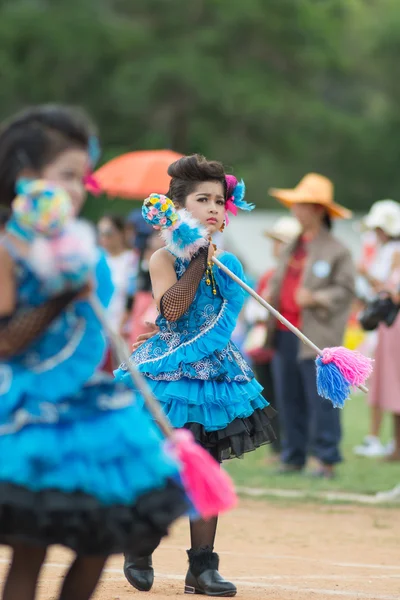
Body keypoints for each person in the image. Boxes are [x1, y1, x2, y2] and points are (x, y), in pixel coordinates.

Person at [0, 104, 189, 600]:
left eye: (83, 178)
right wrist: (62, 292)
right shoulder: (8, 250)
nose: (77, 189)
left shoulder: (85, 252)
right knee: (30, 552)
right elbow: (5, 340)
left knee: (99, 543)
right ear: (25, 177)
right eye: (66, 176)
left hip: (90, 411)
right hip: (26, 416)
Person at [115, 154, 276, 597]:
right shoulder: (162, 258)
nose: (212, 207)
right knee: (165, 465)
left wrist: (215, 262)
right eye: (201, 199)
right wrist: (199, 258)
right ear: (179, 209)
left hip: (215, 379)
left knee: (205, 464)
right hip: (169, 375)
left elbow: (225, 322)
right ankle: (141, 543)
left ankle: (202, 567)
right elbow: (170, 311)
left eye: (218, 201)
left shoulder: (232, 265)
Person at [267, 173, 355, 478]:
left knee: (322, 400)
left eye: (301, 205)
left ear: (318, 209)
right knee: (288, 398)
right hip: (283, 332)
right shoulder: (292, 246)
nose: (295, 210)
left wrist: (316, 297)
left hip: (317, 337)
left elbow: (345, 292)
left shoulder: (337, 251)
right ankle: (293, 456)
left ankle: (326, 459)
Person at [244, 216, 301, 458]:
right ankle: (278, 447)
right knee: (269, 397)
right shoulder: (269, 275)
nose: (275, 247)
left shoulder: (295, 275)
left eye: (280, 242)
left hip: (285, 339)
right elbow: (252, 309)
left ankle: (294, 445)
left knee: (290, 396)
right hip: (264, 342)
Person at [354, 200, 400, 460]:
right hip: (386, 326)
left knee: (389, 381)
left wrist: (367, 275)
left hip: (392, 326)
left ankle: (384, 441)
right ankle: (388, 441)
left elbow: (388, 292)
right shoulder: (387, 250)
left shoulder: (394, 251)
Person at [97, 214, 137, 335]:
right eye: (100, 233)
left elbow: (133, 295)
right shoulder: (97, 260)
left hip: (122, 329)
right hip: (99, 326)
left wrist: (123, 324)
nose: (104, 238)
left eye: (108, 233)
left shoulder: (132, 259)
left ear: (121, 233)